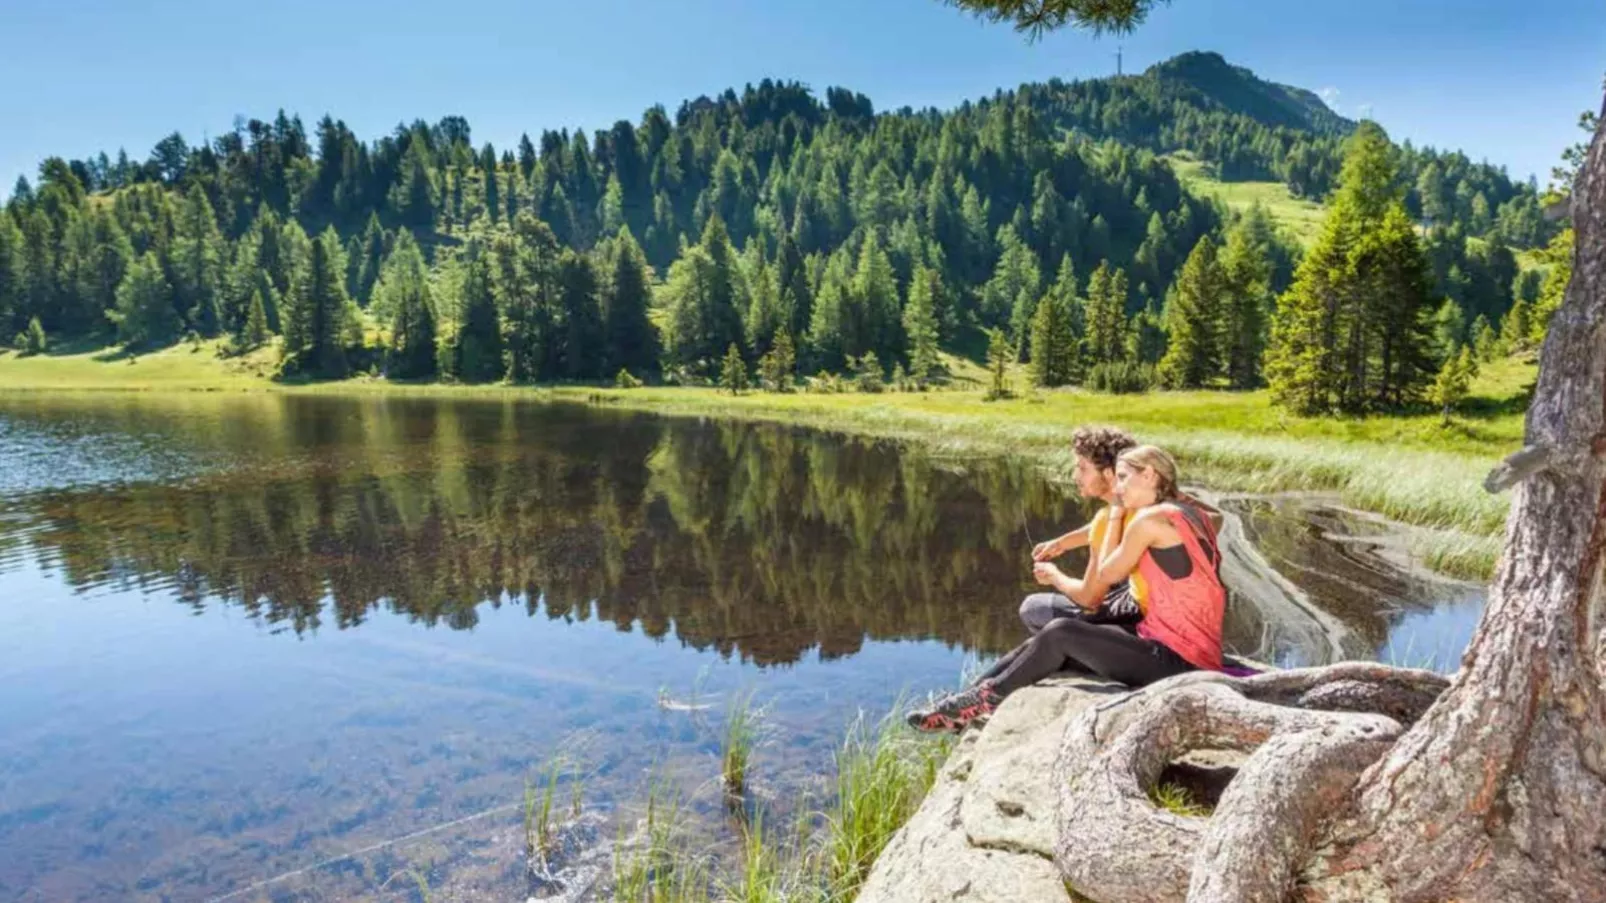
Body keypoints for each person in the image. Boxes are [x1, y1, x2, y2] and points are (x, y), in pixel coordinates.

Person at [908, 446, 1227, 733]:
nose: (1117, 488)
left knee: (1061, 633)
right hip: (1173, 645)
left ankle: (983, 701)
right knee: (1046, 645)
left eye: (1124, 478)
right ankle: (967, 703)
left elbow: (1106, 571)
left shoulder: (1148, 522)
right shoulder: (1195, 516)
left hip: (1180, 660)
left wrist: (1114, 512)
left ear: (1149, 474)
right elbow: (1218, 518)